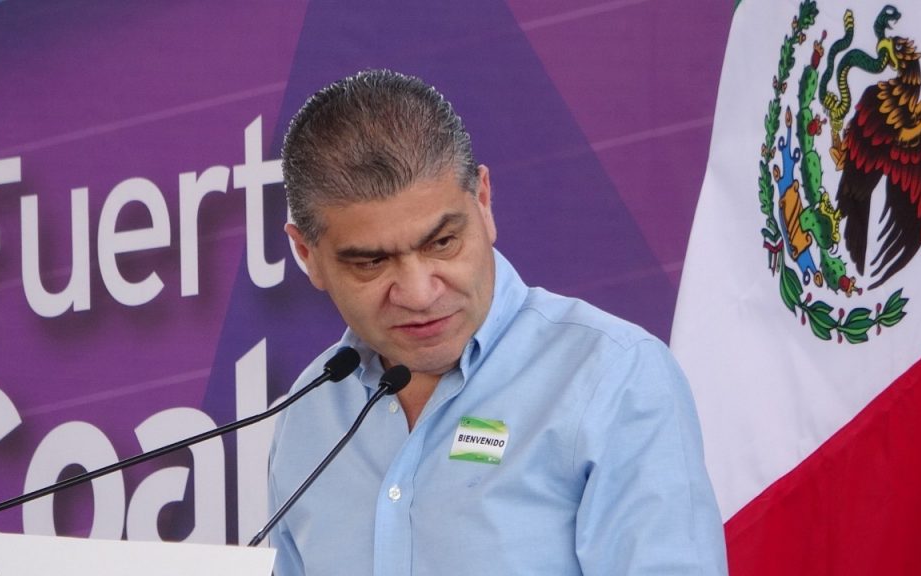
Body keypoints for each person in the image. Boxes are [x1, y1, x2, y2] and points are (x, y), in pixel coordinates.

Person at [268, 69, 728, 575]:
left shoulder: (612, 376)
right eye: (371, 263)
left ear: (483, 201)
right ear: (306, 253)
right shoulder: (307, 412)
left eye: (443, 243)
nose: (419, 294)